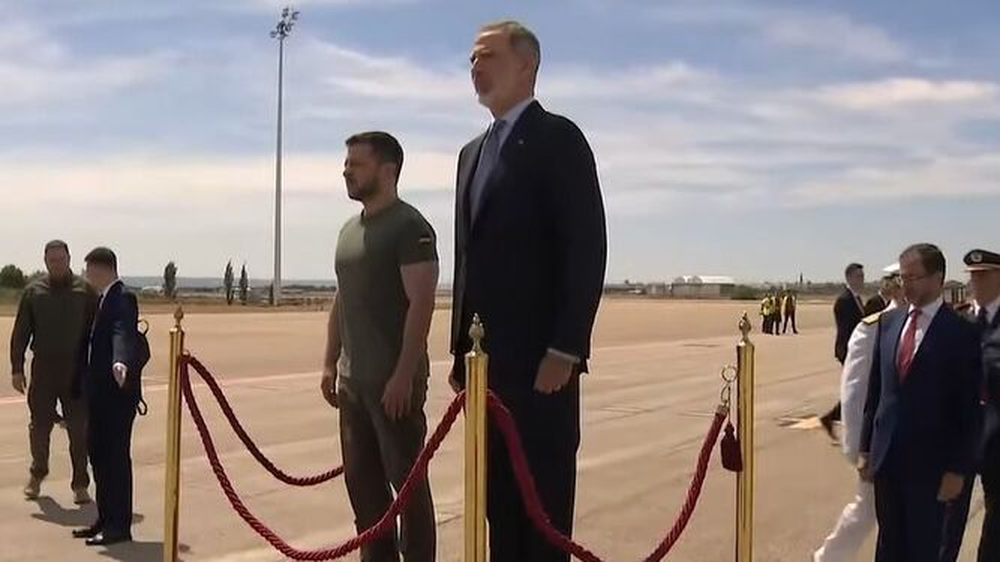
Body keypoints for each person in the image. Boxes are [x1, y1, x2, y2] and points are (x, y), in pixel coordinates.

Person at [448, 20, 607, 562]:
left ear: (526, 65)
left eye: (487, 56)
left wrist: (566, 348)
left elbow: (585, 247)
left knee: (541, 514)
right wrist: (459, 356)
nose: (475, 67)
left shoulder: (558, 139)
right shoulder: (471, 154)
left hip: (542, 369)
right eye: (472, 59)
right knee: (498, 509)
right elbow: (468, 261)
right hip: (485, 371)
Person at [320, 132, 438, 562]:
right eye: (346, 163)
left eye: (357, 163)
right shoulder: (348, 231)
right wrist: (329, 362)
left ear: (388, 170)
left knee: (408, 494)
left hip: (393, 388)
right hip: (352, 384)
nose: (346, 171)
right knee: (365, 493)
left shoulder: (410, 227)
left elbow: (422, 302)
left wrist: (404, 374)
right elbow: (343, 298)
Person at [859, 243, 982, 561]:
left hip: (931, 467)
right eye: (903, 277)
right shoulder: (888, 323)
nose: (906, 284)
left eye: (914, 277)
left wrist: (958, 469)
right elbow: (876, 391)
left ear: (937, 278)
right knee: (888, 546)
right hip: (887, 459)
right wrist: (866, 448)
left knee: (923, 548)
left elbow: (968, 410)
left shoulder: (961, 332)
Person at [813, 266, 902, 561]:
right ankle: (827, 558)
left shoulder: (931, 325)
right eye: (906, 280)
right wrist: (857, 448)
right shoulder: (874, 328)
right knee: (867, 511)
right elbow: (855, 392)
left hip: (917, 443)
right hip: (881, 443)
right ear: (894, 286)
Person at [10, 240, 95, 504]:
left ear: (69, 259)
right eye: (52, 260)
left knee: (79, 428)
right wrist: (17, 368)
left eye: (61, 259)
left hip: (76, 370)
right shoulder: (33, 292)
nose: (56, 264)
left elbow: (97, 330)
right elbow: (21, 332)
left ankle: (80, 484)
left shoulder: (86, 291)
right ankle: (38, 473)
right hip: (44, 369)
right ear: (45, 262)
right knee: (39, 426)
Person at [72, 248, 142, 546]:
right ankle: (105, 518)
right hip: (99, 394)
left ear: (103, 269)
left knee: (115, 460)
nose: (86, 276)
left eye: (89, 271)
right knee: (98, 456)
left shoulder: (123, 297)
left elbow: (121, 331)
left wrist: (120, 360)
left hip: (116, 396)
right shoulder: (102, 299)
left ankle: (119, 526)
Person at [943, 248, 1000, 562]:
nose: (977, 281)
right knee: (947, 523)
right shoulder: (956, 320)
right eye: (973, 276)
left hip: (997, 441)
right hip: (958, 440)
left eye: (985, 275)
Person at [820, 263, 866, 441]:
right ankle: (836, 420)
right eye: (859, 276)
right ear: (849, 278)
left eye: (863, 276)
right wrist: (851, 354)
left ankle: (832, 418)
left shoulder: (857, 299)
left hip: (856, 351)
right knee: (855, 390)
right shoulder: (844, 301)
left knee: (856, 390)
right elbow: (846, 331)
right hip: (848, 351)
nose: (862, 280)